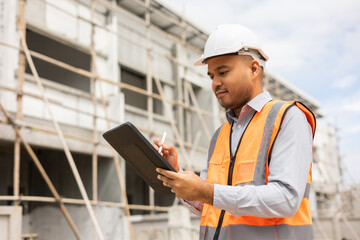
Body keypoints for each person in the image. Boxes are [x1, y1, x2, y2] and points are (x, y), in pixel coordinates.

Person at [154, 24, 316, 240]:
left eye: (223, 72)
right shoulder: (220, 134)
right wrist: (177, 172)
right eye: (211, 76)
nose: (215, 83)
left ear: (254, 69)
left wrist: (206, 191)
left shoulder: (288, 117)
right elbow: (210, 206)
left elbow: (285, 199)